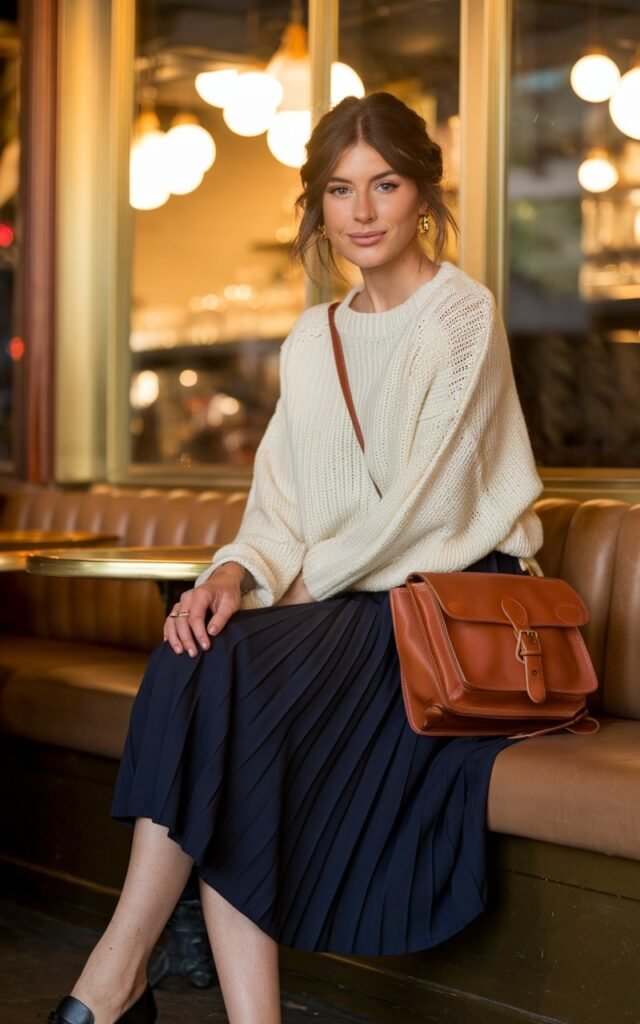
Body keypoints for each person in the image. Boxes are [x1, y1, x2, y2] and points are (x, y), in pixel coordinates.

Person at [49, 91, 544, 1024]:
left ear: (423, 194)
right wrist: (233, 574)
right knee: (200, 651)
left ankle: (113, 981)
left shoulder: (461, 315)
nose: (362, 211)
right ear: (317, 206)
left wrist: (304, 584)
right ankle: (142, 981)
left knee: (231, 679)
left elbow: (432, 505)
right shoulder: (313, 339)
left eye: (385, 184)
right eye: (340, 190)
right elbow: (278, 504)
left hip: (447, 598)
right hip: (349, 598)